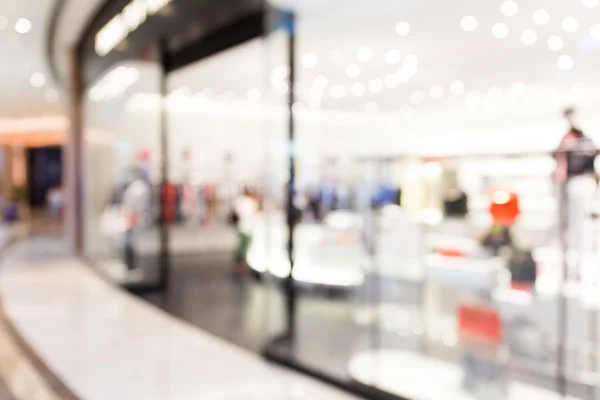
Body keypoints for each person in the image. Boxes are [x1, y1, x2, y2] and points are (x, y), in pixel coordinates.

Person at [233, 187, 258, 273]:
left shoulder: (241, 201)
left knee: (242, 246)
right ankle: (241, 264)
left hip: (243, 226)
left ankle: (240, 264)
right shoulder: (250, 202)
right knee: (244, 246)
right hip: (247, 227)